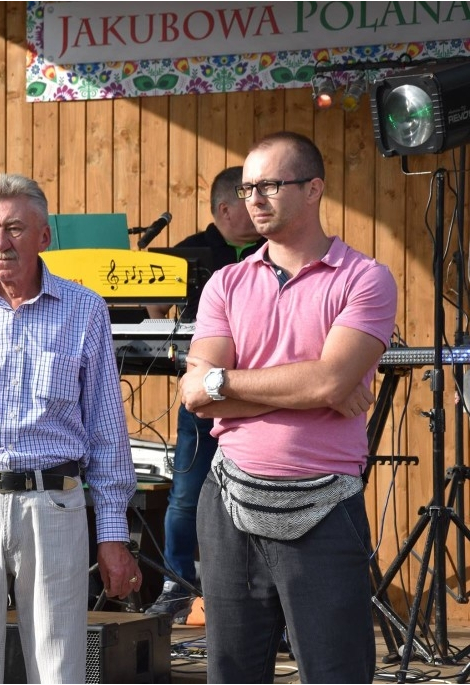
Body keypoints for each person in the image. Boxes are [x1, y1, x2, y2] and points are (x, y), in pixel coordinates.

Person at [179, 131, 397, 683]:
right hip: (226, 502)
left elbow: (327, 382)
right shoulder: (226, 283)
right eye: (249, 186)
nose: (254, 198)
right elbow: (194, 395)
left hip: (324, 508)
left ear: (314, 189)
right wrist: (309, 389)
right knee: (232, 674)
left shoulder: (365, 279)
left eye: (270, 185)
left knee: (335, 674)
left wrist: (228, 385)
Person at [0, 172, 142, 683]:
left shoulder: (84, 310)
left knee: (59, 667)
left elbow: (107, 427)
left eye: (15, 228)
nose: (0, 242)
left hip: (55, 502)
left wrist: (112, 534)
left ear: (44, 237)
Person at [143, 166, 264, 622]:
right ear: (224, 208)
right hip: (204, 391)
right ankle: (177, 584)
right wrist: (164, 328)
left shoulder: (272, 251)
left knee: (257, 490)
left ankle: (251, 593)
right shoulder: (189, 251)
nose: (256, 208)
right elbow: (151, 298)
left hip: (256, 392)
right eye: (247, 199)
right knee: (186, 493)